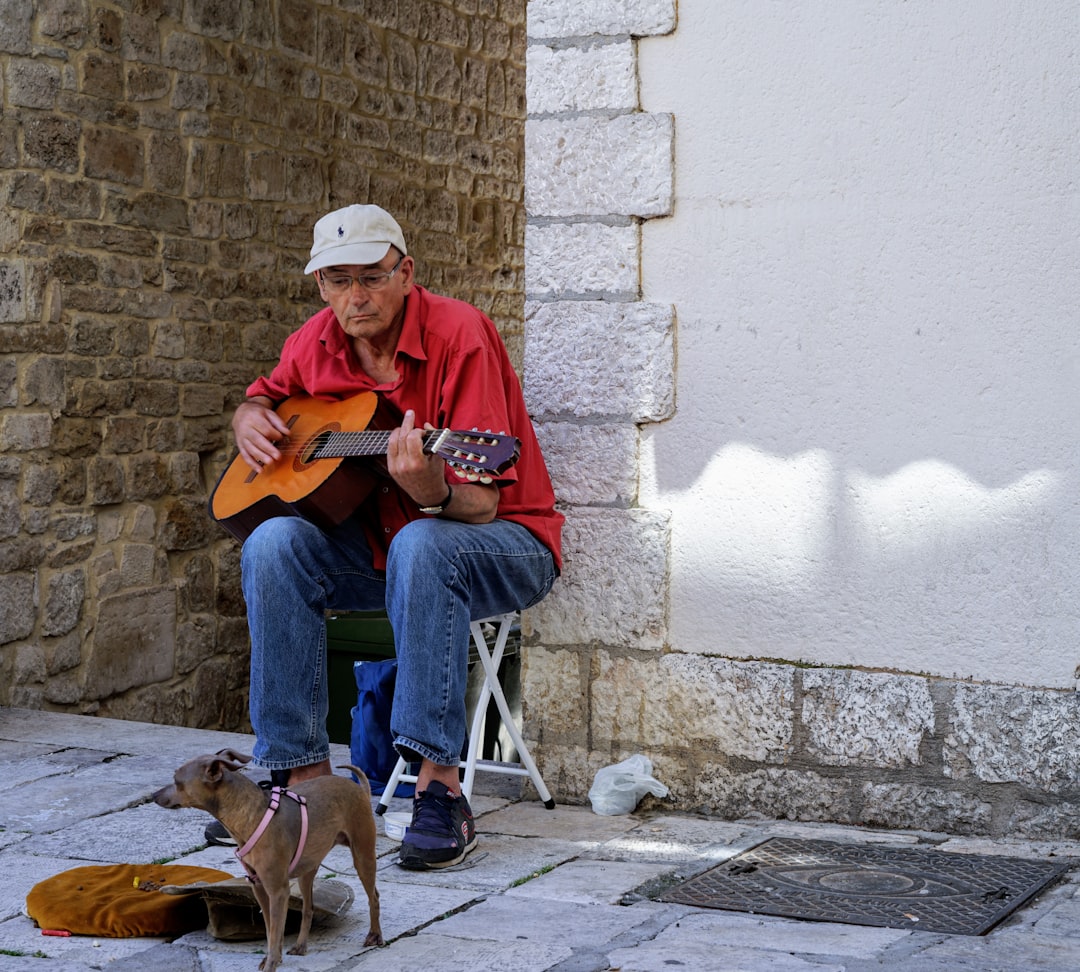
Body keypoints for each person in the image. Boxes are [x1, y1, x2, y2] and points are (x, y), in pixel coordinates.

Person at [210, 204, 563, 869]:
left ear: (406, 272)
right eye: (339, 280)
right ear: (320, 286)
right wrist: (248, 416)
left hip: (503, 543)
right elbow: (267, 395)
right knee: (272, 545)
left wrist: (428, 487)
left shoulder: (462, 333)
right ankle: (302, 785)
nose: (356, 296)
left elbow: (482, 504)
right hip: (383, 552)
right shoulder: (313, 341)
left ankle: (439, 790)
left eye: (371, 276)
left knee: (423, 542)